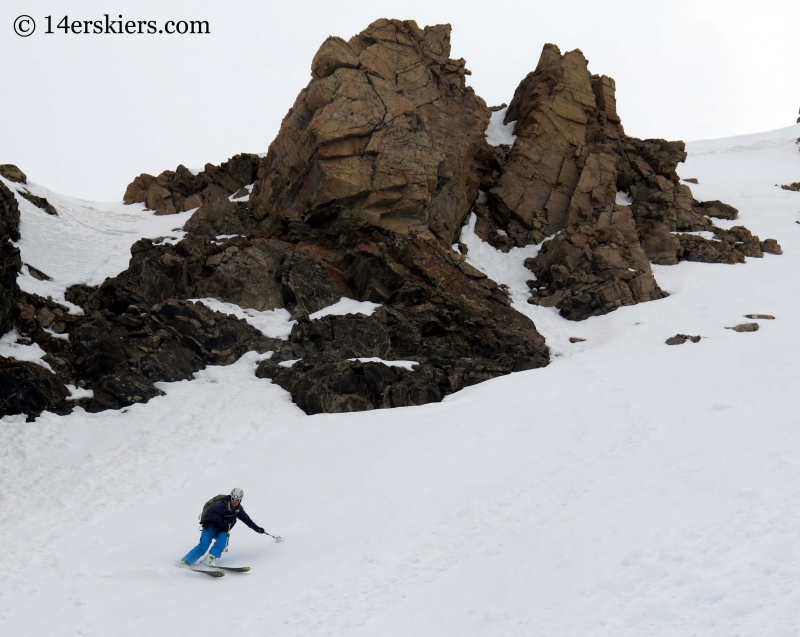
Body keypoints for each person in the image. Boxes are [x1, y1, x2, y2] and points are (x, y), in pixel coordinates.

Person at [181, 487, 266, 566]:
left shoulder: (239, 509)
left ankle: (209, 559)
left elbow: (247, 520)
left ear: (240, 500)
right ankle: (186, 561)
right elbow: (211, 514)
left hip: (222, 530)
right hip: (210, 526)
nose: (234, 501)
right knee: (204, 545)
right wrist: (222, 520)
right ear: (231, 497)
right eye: (233, 498)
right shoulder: (222, 505)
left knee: (223, 542)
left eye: (237, 499)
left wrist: (257, 528)